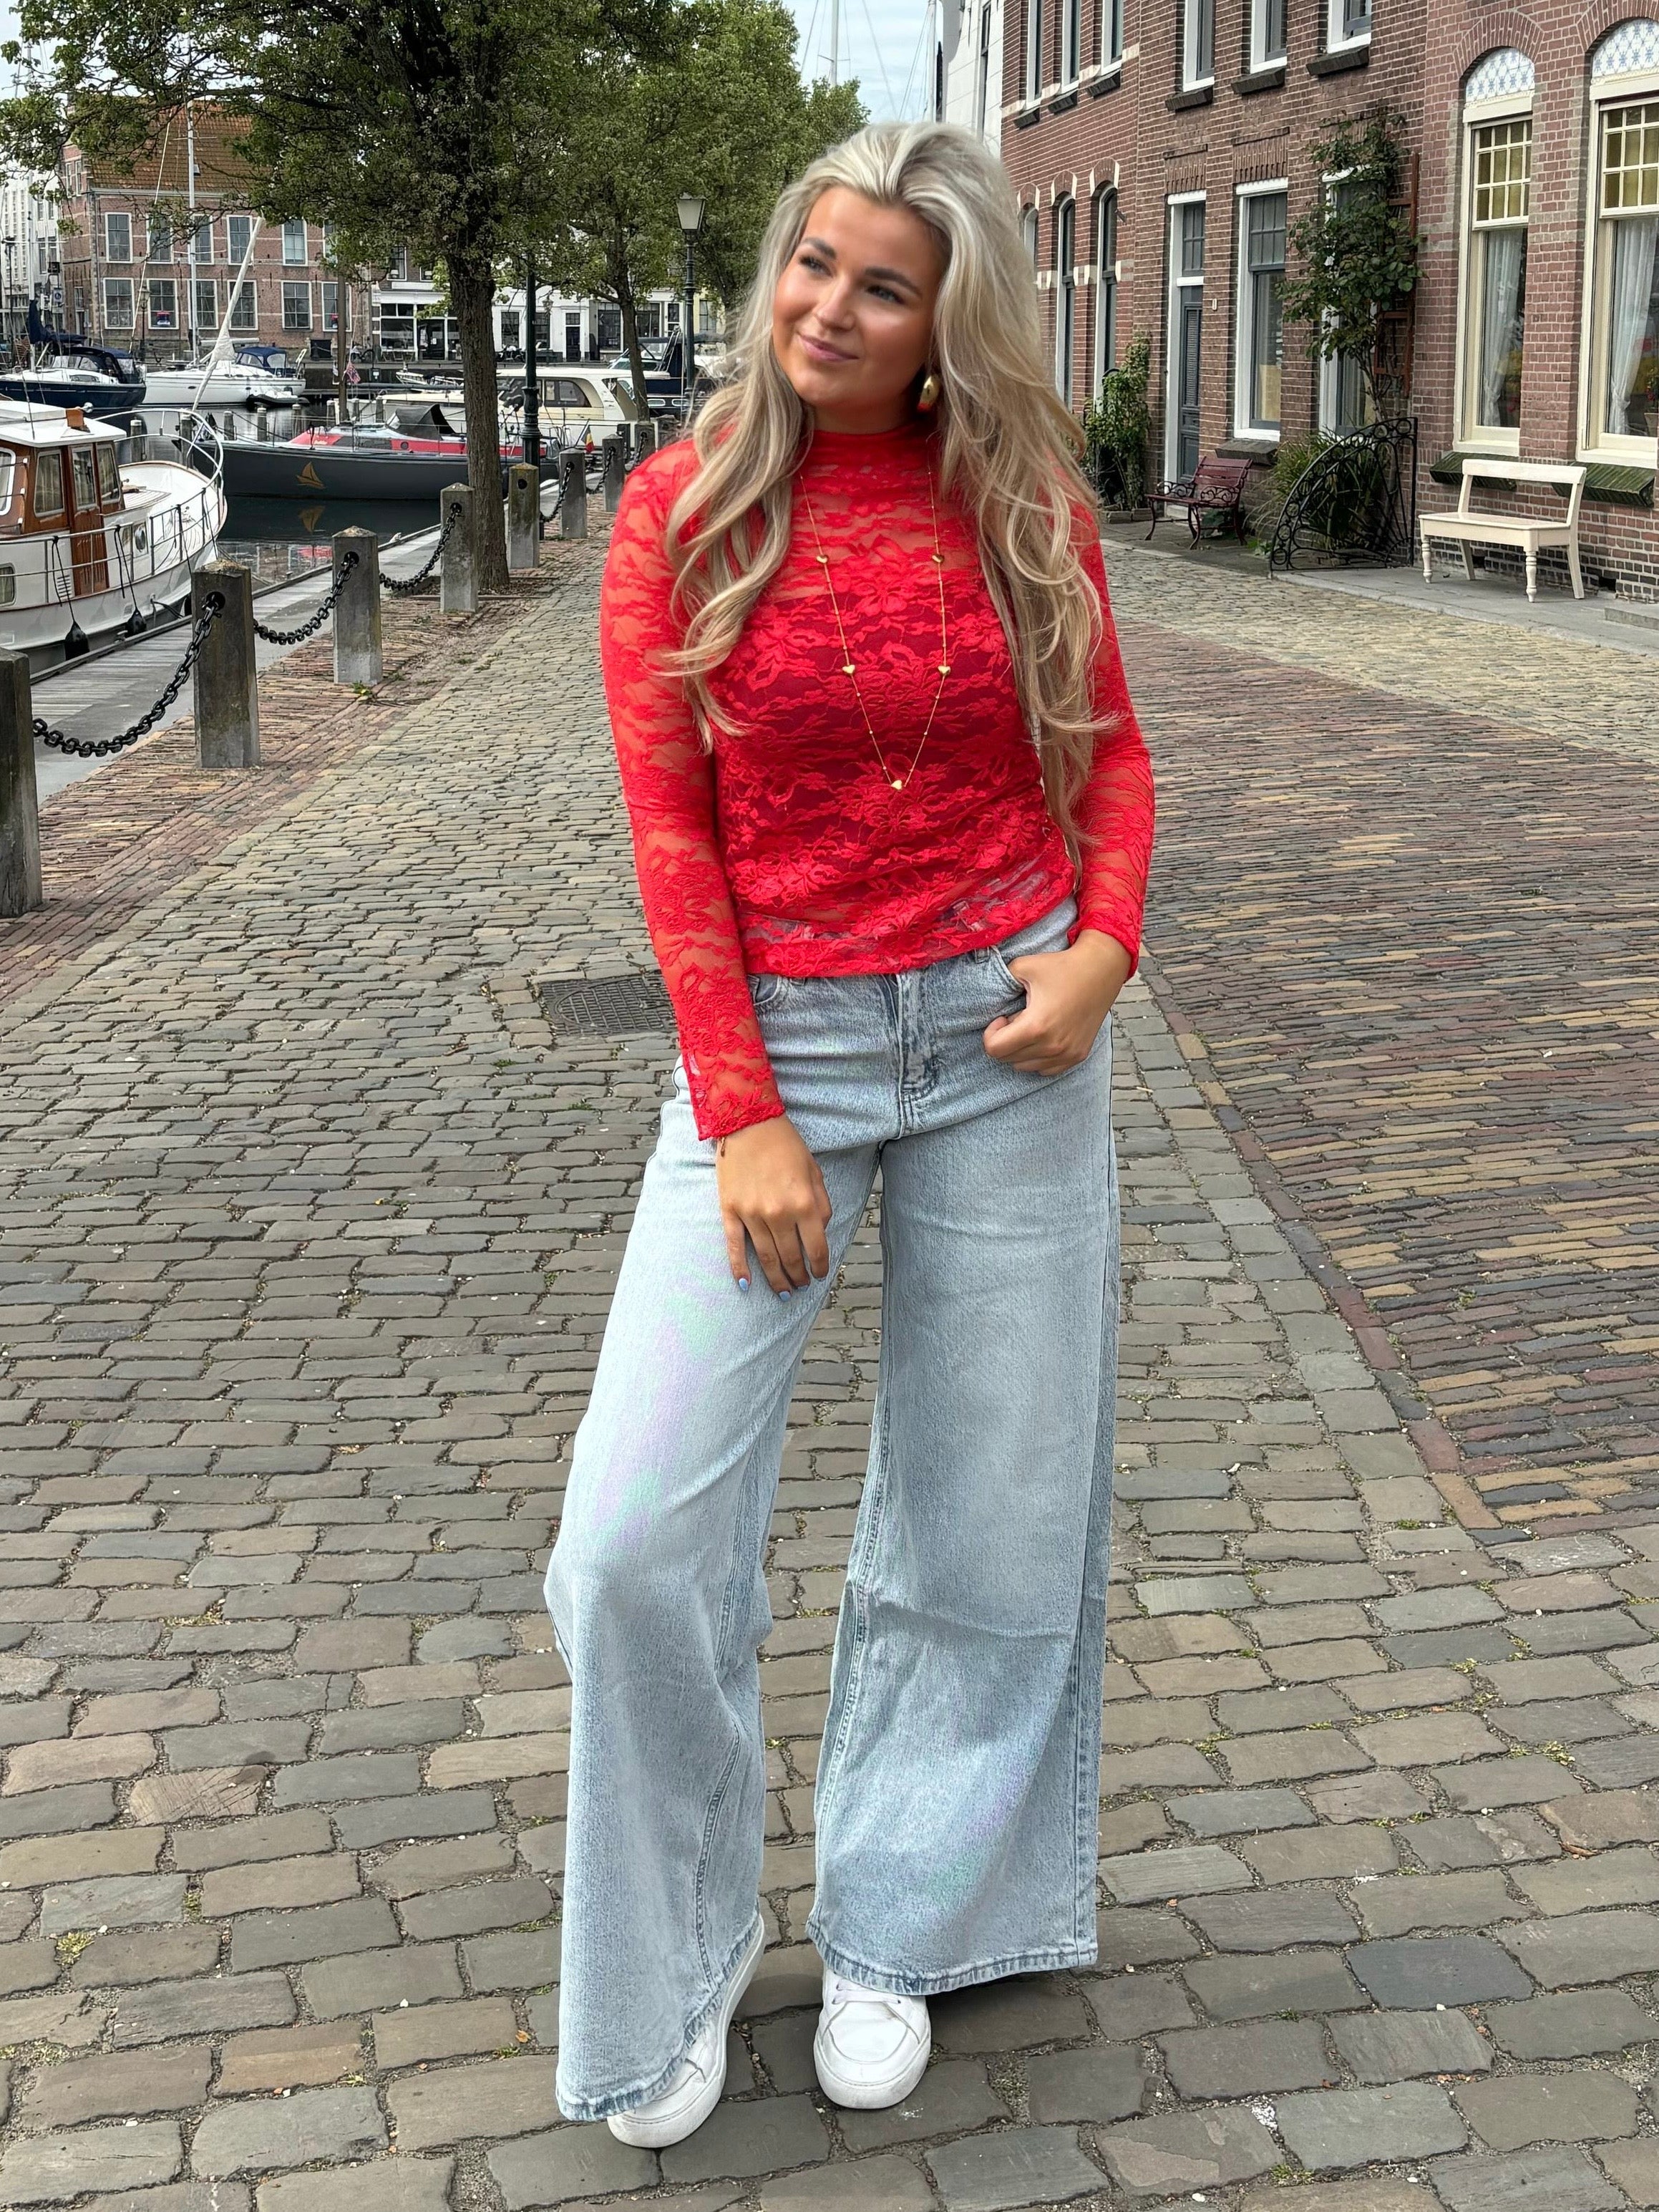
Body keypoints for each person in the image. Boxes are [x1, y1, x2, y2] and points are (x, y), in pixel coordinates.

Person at [544, 118, 1155, 2148]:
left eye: (883, 285)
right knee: (633, 1540)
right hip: (780, 1047)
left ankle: (901, 1918)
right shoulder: (684, 509)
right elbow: (672, 837)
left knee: (992, 1518)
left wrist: (1103, 951)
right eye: (814, 261)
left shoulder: (1023, 504)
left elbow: (1110, 756)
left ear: (947, 320)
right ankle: (674, 1954)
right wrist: (742, 1113)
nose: (828, 306)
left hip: (1006, 1038)